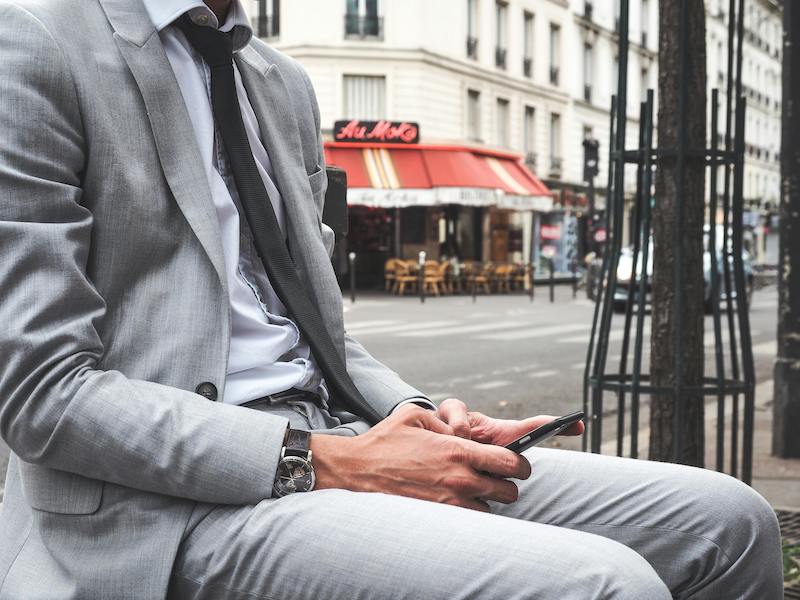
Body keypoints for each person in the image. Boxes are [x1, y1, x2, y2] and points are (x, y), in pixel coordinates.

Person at [0, 0, 782, 598]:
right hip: (165, 505)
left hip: (336, 432)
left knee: (730, 520)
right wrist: (335, 463)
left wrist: (419, 415)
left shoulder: (280, 83)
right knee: (605, 585)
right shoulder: (33, 40)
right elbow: (43, 394)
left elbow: (314, 333)